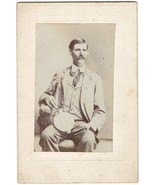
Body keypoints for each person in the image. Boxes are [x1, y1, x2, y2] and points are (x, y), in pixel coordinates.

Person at [37, 38, 106, 152]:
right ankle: (53, 168)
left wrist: (93, 124)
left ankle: (81, 169)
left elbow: (100, 111)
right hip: (59, 122)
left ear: (87, 52)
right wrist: (47, 97)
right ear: (70, 51)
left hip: (82, 125)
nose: (81, 53)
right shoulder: (60, 74)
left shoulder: (95, 79)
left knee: (88, 139)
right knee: (46, 135)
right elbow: (44, 95)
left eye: (84, 50)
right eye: (77, 50)